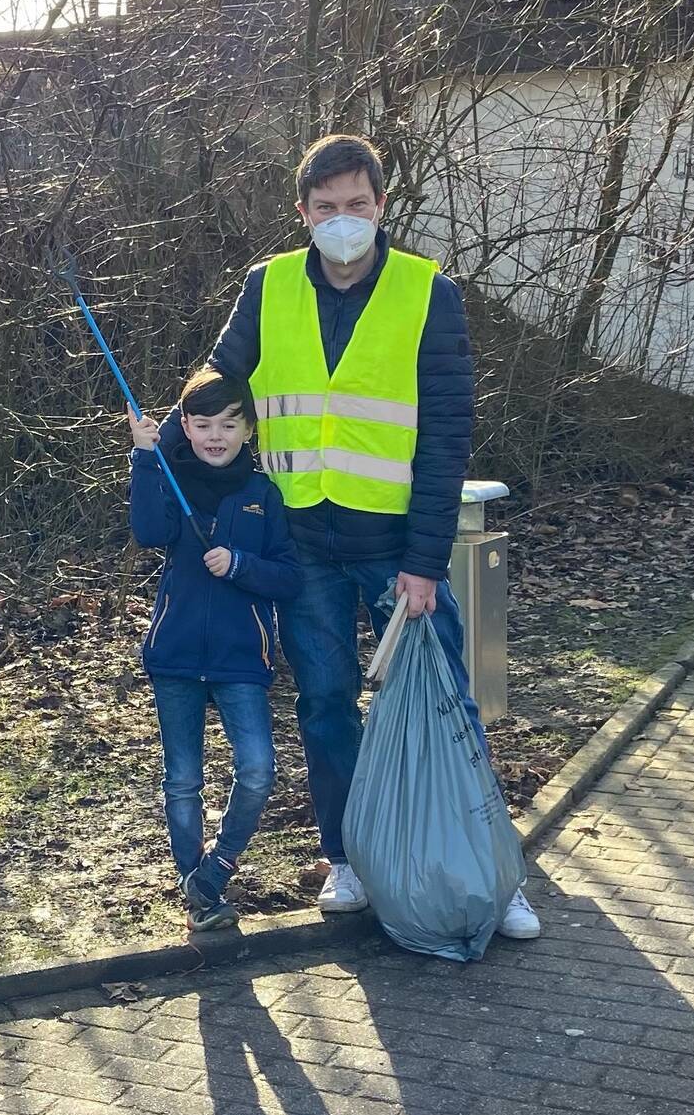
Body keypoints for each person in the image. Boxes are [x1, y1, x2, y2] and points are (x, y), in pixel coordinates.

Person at [194, 133, 539, 938]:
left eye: (357, 205)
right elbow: (220, 384)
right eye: (325, 209)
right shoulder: (267, 286)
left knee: (445, 700)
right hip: (302, 541)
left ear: (382, 206)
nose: (342, 221)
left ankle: (493, 870)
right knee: (324, 704)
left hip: (394, 546)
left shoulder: (428, 292)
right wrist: (174, 442)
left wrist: (424, 562)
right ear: (303, 214)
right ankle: (350, 858)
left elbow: (446, 435)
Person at [128, 369, 303, 931]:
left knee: (257, 769)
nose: (215, 435)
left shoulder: (262, 496)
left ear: (249, 429)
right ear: (185, 426)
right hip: (175, 656)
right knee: (182, 780)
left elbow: (290, 578)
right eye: (202, 424)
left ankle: (215, 869)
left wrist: (241, 565)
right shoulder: (171, 482)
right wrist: (144, 457)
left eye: (229, 424)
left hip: (240, 661)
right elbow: (149, 532)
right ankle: (195, 892)